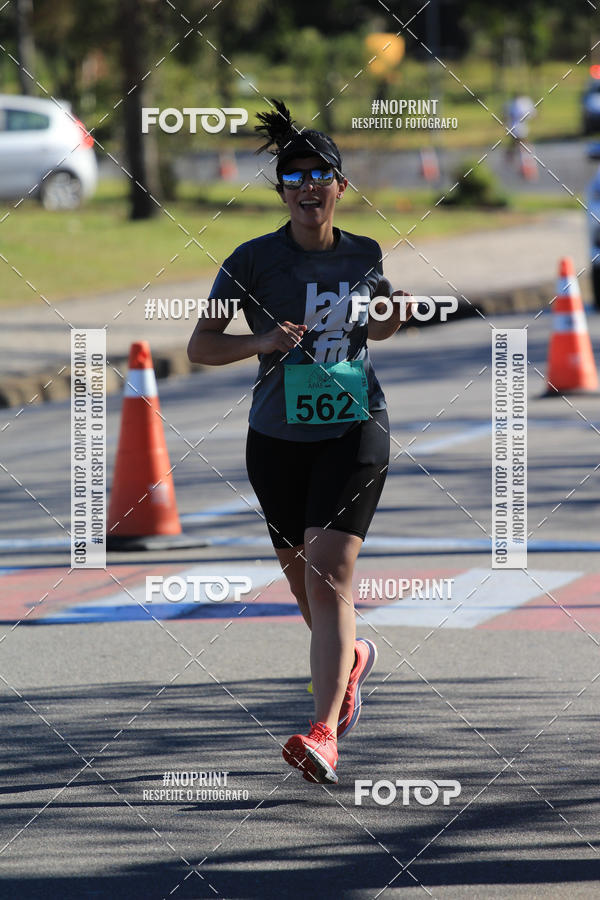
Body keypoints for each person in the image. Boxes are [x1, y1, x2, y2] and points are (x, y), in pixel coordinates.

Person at [187, 99, 413, 784]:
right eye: (295, 177)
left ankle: (324, 733)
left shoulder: (366, 253)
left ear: (340, 188)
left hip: (354, 427)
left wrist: (392, 320)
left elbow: (374, 331)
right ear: (282, 190)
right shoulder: (251, 261)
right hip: (277, 438)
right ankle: (352, 664)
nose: (309, 187)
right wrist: (259, 340)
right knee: (310, 593)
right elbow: (200, 346)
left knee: (329, 572)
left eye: (321, 176)